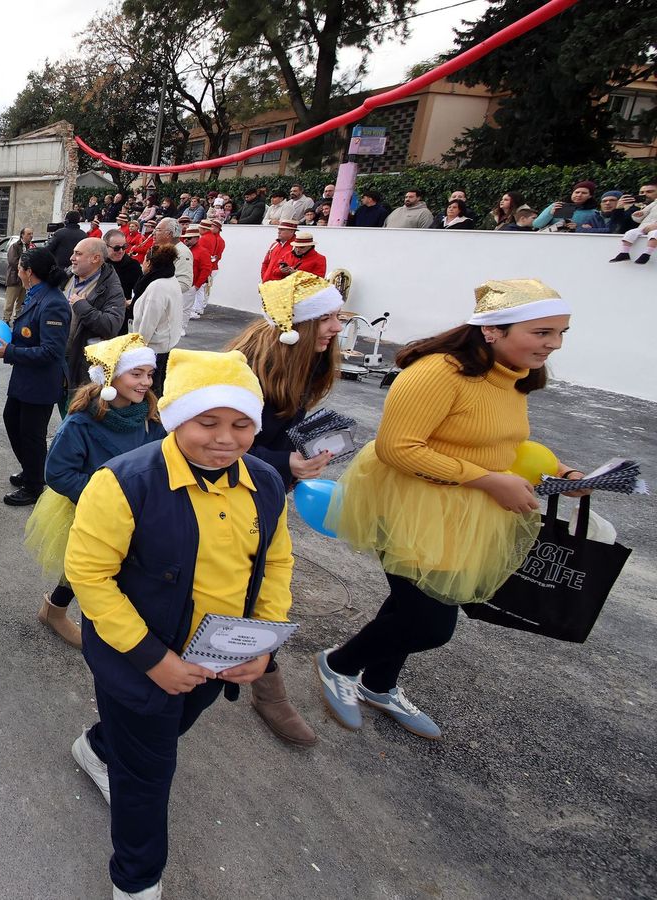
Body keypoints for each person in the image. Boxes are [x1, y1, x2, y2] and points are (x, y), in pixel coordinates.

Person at [66, 347, 293, 900]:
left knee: (168, 727)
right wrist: (154, 660)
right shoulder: (124, 482)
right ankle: (137, 882)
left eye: (242, 424)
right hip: (140, 662)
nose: (225, 438)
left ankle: (97, 746)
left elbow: (275, 562)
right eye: (207, 422)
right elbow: (90, 577)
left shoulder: (263, 481)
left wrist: (263, 642)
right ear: (173, 418)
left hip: (215, 662)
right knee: (148, 777)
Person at [319, 280, 583, 742]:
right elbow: (397, 448)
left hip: (464, 509)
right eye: (542, 332)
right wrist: (486, 479)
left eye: (561, 332)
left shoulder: (512, 374)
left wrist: (559, 470)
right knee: (430, 623)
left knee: (408, 607)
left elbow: (503, 438)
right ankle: (337, 664)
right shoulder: (437, 372)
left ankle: (378, 684)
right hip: (410, 503)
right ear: (492, 330)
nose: (554, 344)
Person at [216, 272, 346, 748]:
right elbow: (203, 439)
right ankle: (261, 686)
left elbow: (279, 434)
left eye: (337, 316)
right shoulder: (239, 368)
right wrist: (280, 461)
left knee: (264, 582)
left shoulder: (309, 363)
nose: (336, 327)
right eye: (327, 318)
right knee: (232, 583)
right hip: (216, 488)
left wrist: (304, 455)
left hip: (263, 490)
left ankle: (266, 687)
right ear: (296, 326)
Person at [24, 334, 164, 647]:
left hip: (137, 509)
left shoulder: (151, 417)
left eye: (149, 374)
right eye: (136, 374)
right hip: (91, 508)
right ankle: (57, 611)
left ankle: (115, 620)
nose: (145, 383)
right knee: (85, 566)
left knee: (125, 565)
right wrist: (108, 494)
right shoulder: (81, 423)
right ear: (111, 376)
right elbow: (57, 473)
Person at [0, 247, 71, 507]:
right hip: (25, 378)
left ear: (29, 272)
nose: (17, 271)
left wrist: (8, 351)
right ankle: (31, 470)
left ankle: (34, 486)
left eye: (20, 268)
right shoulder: (36, 294)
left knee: (32, 434)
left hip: (40, 383)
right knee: (13, 421)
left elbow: (52, 351)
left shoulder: (53, 302)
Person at [62, 237, 128, 391]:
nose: (72, 258)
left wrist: (81, 306)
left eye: (78, 254)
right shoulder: (68, 276)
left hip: (80, 366)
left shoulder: (112, 288)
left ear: (95, 258)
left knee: (74, 409)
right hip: (57, 359)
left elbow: (111, 326)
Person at [132, 246, 185, 396]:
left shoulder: (157, 285)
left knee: (150, 390)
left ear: (148, 262)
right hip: (164, 343)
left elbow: (149, 320)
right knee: (158, 386)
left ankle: (152, 416)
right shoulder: (170, 279)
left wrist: (138, 346)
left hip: (154, 347)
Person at [3, 227, 37, 322]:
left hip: (26, 279)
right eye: (28, 234)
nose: (31, 236)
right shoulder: (15, 246)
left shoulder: (32, 246)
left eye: (31, 234)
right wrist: (26, 265)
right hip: (15, 277)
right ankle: (6, 319)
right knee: (10, 301)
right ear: (22, 235)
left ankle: (17, 318)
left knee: (21, 301)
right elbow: (13, 261)